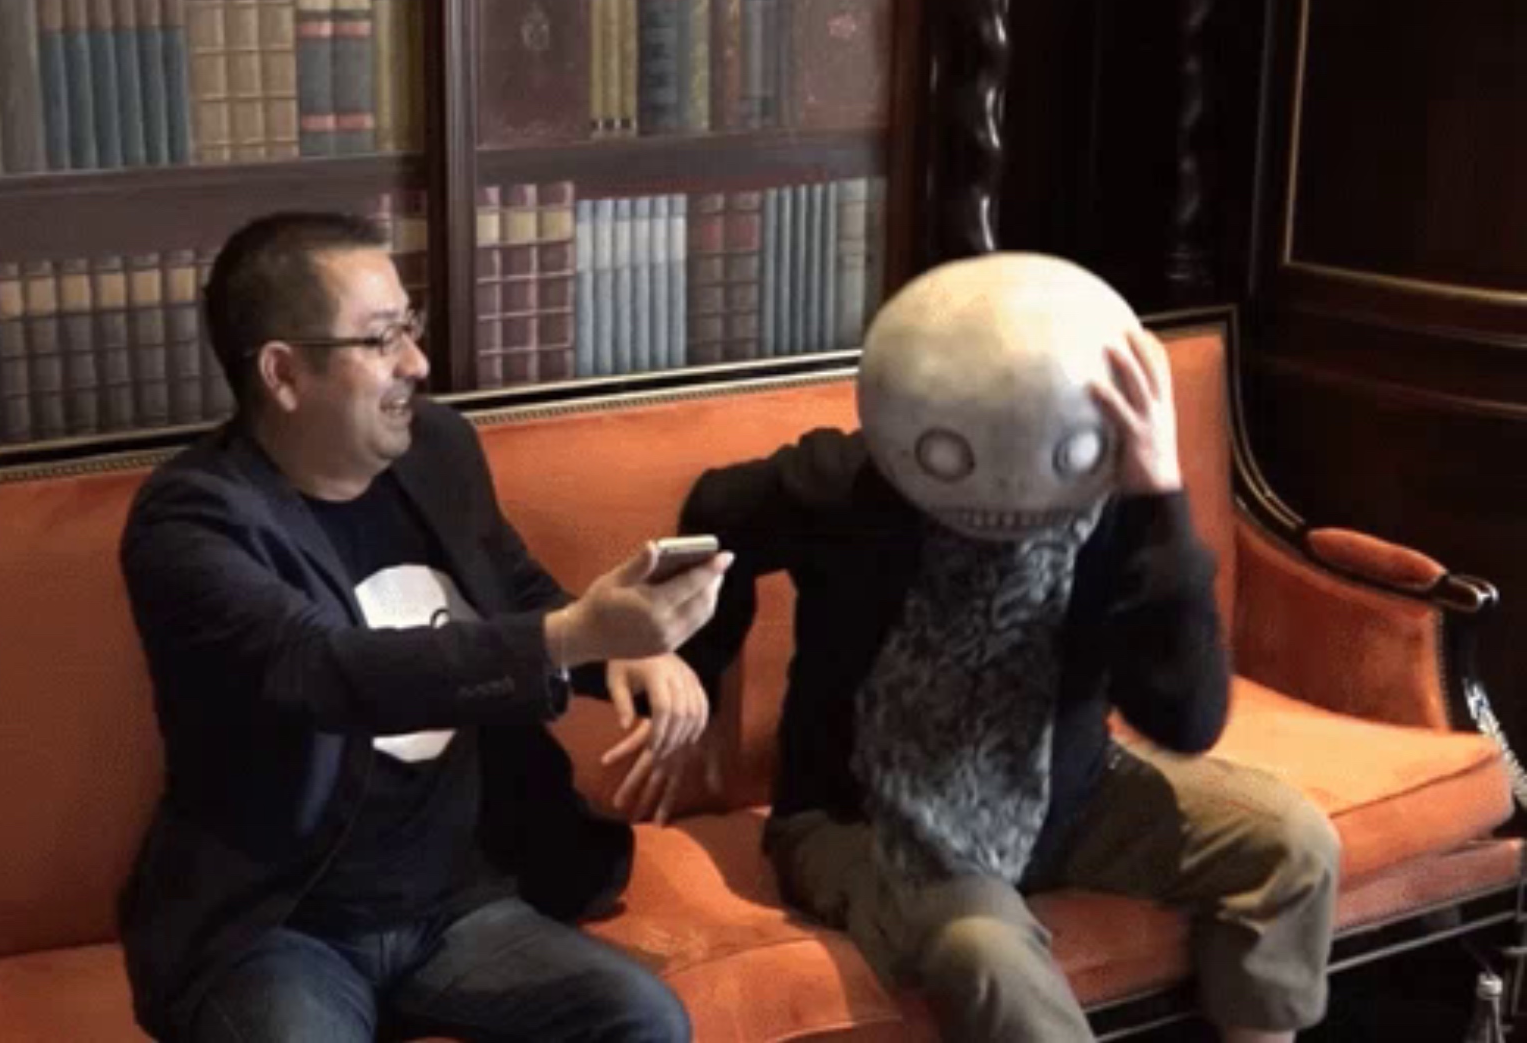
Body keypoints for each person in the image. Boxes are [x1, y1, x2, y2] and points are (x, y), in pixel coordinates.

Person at [675, 253, 1340, 1043]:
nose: (1006, 489)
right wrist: (696, 674)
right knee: (983, 948)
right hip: (865, 824)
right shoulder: (846, 485)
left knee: (1292, 842)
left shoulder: (1110, 502)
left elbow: (1186, 717)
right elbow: (716, 513)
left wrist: (1159, 492)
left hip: (1068, 793)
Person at [116, 212, 729, 1042]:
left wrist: (621, 653)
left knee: (643, 1020)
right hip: (285, 928)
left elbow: (508, 586)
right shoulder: (191, 523)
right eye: (381, 339)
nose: (418, 362)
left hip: (457, 906)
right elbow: (324, 669)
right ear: (283, 373)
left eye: (411, 326)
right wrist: (572, 636)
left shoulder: (435, 448)